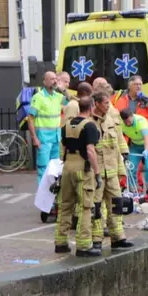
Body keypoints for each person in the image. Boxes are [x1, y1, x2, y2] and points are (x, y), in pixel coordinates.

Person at [56, 96, 102, 257]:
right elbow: (90, 150)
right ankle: (83, 245)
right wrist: (97, 173)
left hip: (67, 166)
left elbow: (64, 146)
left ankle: (60, 242)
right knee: (85, 206)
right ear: (91, 108)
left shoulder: (66, 125)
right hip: (82, 167)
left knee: (65, 205)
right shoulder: (89, 125)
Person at [91, 91, 134, 251]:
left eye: (109, 103)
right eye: (106, 103)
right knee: (96, 207)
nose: (109, 106)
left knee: (116, 204)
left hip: (112, 170)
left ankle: (118, 237)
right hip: (97, 172)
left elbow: (118, 141)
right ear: (97, 104)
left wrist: (123, 160)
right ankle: (96, 239)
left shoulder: (110, 119)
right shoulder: (89, 122)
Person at [28, 71, 66, 184]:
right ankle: (43, 198)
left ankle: (53, 196)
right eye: (51, 79)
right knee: (43, 169)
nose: (54, 81)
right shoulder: (38, 97)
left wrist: (63, 89)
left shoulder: (58, 96)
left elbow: (73, 101)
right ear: (45, 82)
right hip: (43, 139)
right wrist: (34, 138)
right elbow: (30, 118)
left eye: (56, 79)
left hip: (55, 138)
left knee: (55, 169)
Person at [119, 109, 148, 201]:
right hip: (135, 145)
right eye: (125, 122)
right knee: (130, 167)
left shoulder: (141, 121)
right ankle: (133, 190)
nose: (128, 123)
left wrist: (147, 150)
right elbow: (119, 137)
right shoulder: (121, 123)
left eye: (129, 121)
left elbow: (146, 138)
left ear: (132, 116)